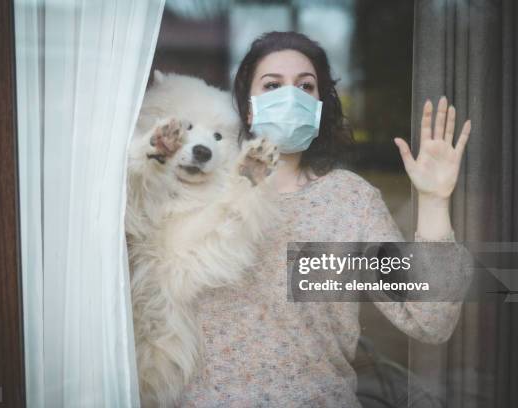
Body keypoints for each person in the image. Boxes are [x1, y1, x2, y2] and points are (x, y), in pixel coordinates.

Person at [177, 31, 473, 407]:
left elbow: (430, 320)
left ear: (318, 106)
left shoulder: (349, 202)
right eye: (272, 85)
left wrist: (433, 200)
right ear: (249, 108)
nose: (291, 96)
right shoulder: (198, 189)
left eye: (305, 86)